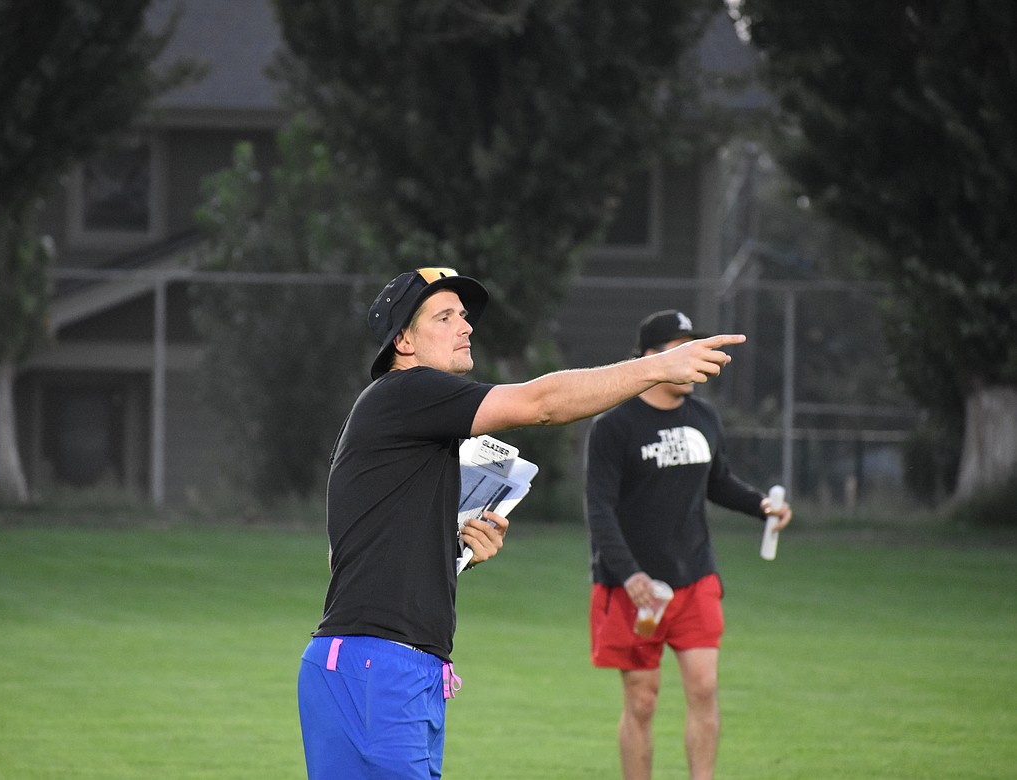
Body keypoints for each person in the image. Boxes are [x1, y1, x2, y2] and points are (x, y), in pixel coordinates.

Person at [297, 269, 746, 780]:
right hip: (380, 668)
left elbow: (348, 556)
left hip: (374, 665)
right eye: (444, 317)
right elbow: (543, 404)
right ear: (403, 340)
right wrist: (657, 368)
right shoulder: (406, 391)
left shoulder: (406, 421)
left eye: (464, 316)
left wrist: (454, 551)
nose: (465, 327)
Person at [582, 309, 793, 780]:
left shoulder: (704, 416)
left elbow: (717, 481)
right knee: (642, 700)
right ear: (650, 358)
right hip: (634, 588)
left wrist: (762, 506)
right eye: (683, 349)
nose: (698, 359)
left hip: (695, 577)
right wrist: (631, 574)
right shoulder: (615, 425)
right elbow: (599, 510)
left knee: (704, 688)